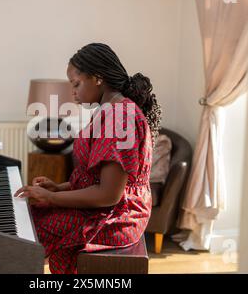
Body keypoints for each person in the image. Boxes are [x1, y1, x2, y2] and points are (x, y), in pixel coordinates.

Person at [14, 43, 162, 274]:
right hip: (111, 208)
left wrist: (52, 197)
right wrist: (60, 188)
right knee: (30, 217)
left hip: (118, 217)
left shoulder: (119, 117)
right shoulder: (109, 110)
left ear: (98, 78)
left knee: (26, 230)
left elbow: (108, 194)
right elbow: (96, 178)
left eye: (76, 84)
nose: (72, 92)